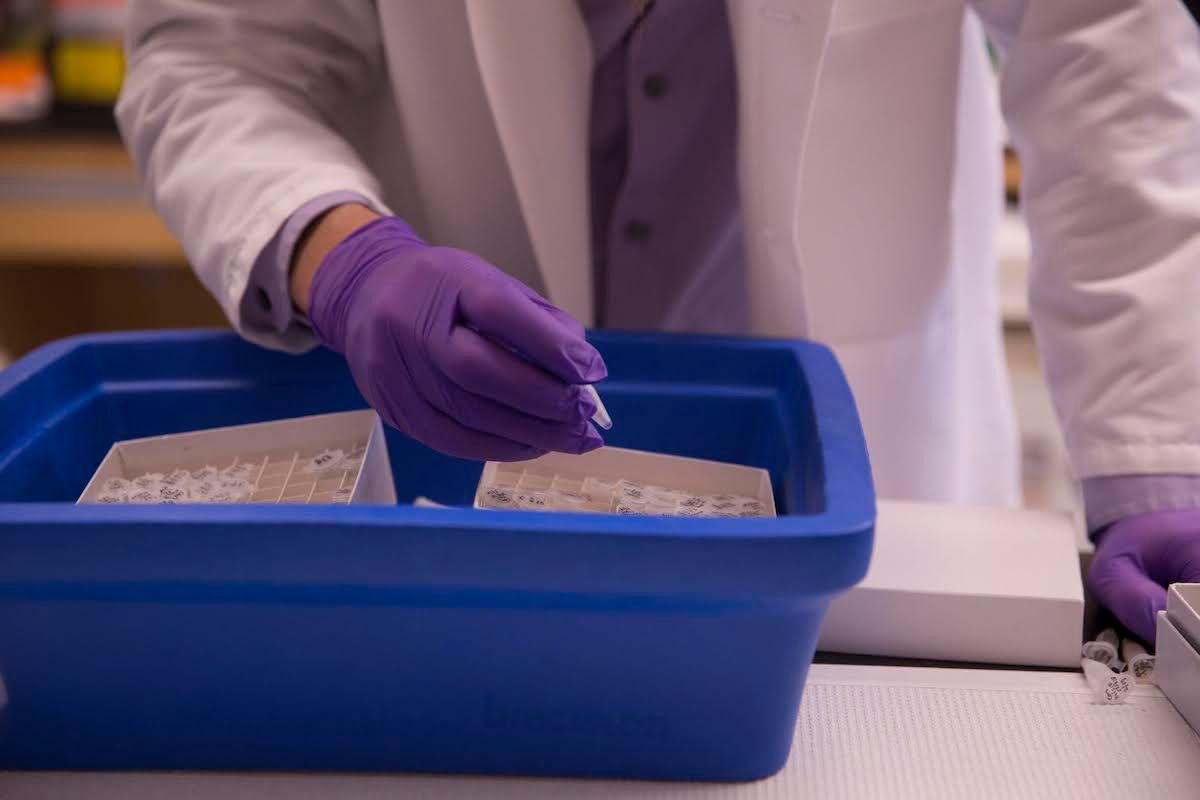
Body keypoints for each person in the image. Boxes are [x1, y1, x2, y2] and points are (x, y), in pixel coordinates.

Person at [116, 0, 1200, 644]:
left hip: (876, 471)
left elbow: (1101, 36)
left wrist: (1158, 460)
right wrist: (341, 255)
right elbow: (214, 57)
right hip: (449, 475)